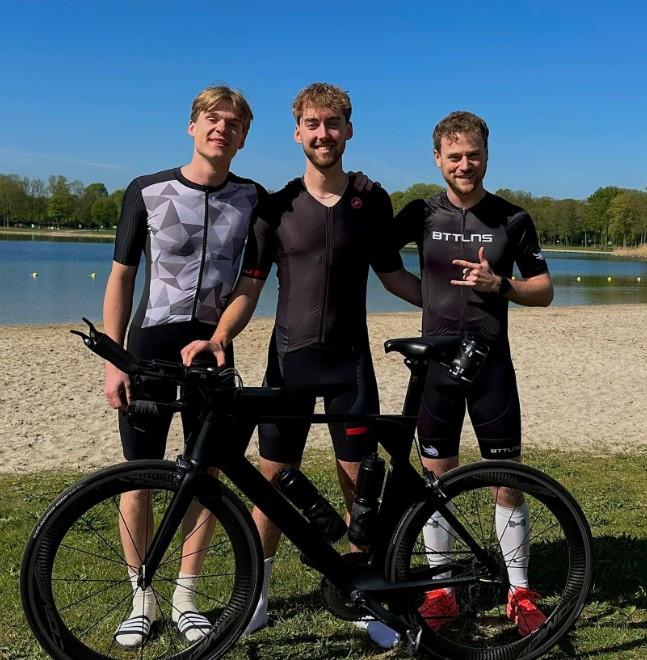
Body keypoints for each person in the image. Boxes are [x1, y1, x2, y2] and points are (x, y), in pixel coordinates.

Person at [181, 82, 422, 636]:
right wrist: (220, 336)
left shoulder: (372, 200)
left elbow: (394, 277)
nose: (323, 133)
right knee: (271, 480)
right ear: (297, 133)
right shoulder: (276, 206)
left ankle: (365, 598)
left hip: (349, 367)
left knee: (360, 485)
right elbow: (249, 286)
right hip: (289, 363)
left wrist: (452, 306)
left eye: (333, 123)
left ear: (349, 130)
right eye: (313, 124)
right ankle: (258, 597)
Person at [365, 111, 554, 648]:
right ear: (437, 159)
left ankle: (520, 591)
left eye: (473, 155)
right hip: (437, 369)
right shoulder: (421, 212)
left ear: (486, 155)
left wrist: (502, 286)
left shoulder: (512, 218)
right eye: (454, 156)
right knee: (435, 481)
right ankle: (442, 590)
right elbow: (381, 261)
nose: (464, 164)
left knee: (506, 482)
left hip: (492, 367)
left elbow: (544, 289)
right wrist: (427, 298)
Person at [102, 84, 269, 648]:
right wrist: (115, 359)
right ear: (192, 126)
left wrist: (222, 336)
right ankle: (141, 596)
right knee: (140, 473)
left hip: (212, 352)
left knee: (208, 473)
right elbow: (122, 276)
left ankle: (186, 595)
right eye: (212, 119)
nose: (222, 129)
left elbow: (250, 285)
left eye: (233, 123)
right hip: (149, 349)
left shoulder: (253, 198)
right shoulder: (146, 190)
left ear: (243, 138)